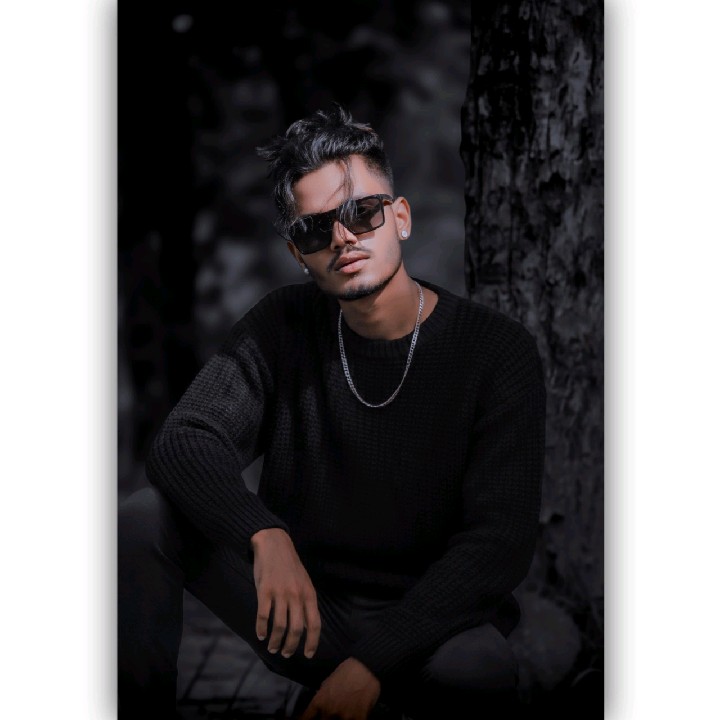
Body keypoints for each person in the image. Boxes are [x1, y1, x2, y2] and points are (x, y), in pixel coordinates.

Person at [118, 103, 547, 719]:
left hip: (428, 629)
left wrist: (369, 666)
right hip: (301, 613)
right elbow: (185, 439)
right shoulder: (283, 325)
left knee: (479, 672)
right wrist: (263, 534)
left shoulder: (495, 351)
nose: (343, 239)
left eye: (361, 213)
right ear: (299, 253)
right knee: (142, 521)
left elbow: (498, 543)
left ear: (400, 218)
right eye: (316, 230)